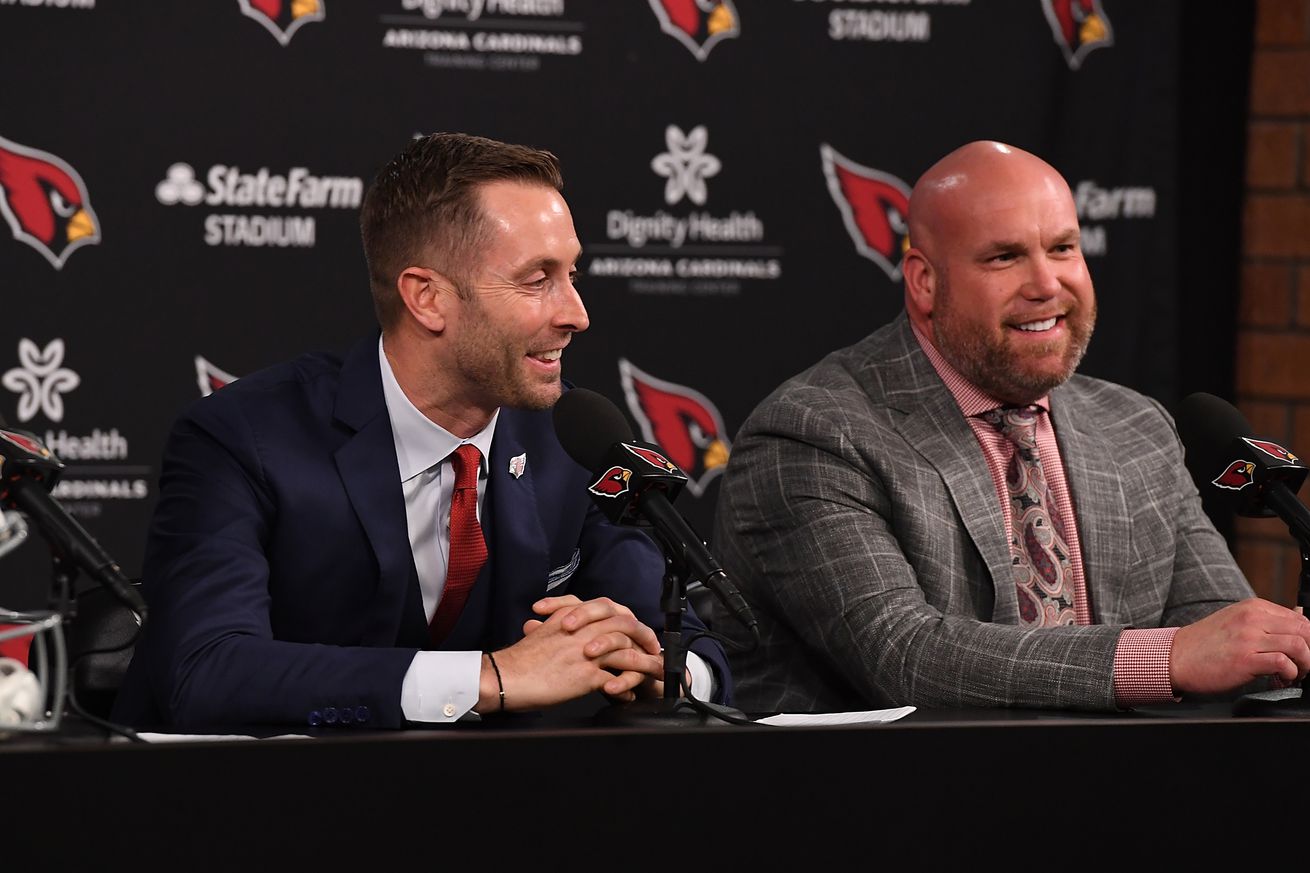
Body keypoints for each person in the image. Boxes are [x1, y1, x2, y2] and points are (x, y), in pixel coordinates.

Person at [112, 132, 731, 730]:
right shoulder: (241, 438)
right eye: (537, 280)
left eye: (573, 274)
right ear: (427, 298)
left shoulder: (571, 439)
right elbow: (204, 670)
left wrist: (666, 674)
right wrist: (490, 678)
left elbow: (689, 648)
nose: (577, 313)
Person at [708, 140, 1310, 714]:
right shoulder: (815, 431)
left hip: (1128, 781)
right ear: (924, 281)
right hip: (894, 782)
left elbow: (1220, 630)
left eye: (1063, 248)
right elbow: (902, 655)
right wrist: (1164, 659)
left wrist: (1272, 650)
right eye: (1004, 257)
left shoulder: (1136, 427)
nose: (1046, 285)